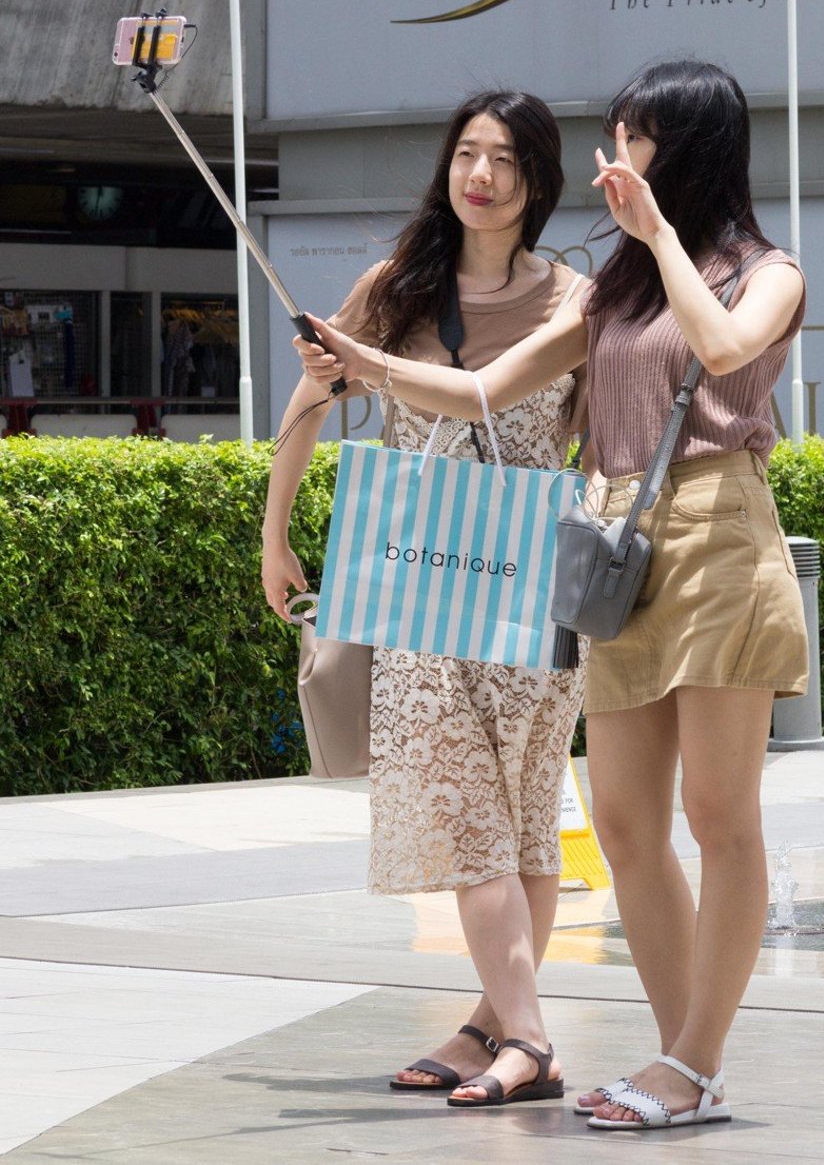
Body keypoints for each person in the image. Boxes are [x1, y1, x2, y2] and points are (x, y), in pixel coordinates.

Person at [294, 58, 809, 1131]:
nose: (616, 158)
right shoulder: (616, 289)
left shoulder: (766, 273)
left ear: (688, 149)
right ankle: (679, 1060)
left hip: (719, 535)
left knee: (720, 817)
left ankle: (694, 1063)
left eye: (635, 138)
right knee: (622, 824)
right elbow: (485, 388)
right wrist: (362, 363)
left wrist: (657, 236)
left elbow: (721, 349)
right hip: (615, 548)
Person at [262, 90, 587, 1109]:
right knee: (465, 813)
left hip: (530, 594)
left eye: (506, 159)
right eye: (467, 154)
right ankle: (527, 1038)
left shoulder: (575, 301)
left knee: (525, 821)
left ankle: (490, 1029)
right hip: (419, 592)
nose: (480, 176)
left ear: (538, 181)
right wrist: (275, 531)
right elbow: (310, 400)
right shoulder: (397, 287)